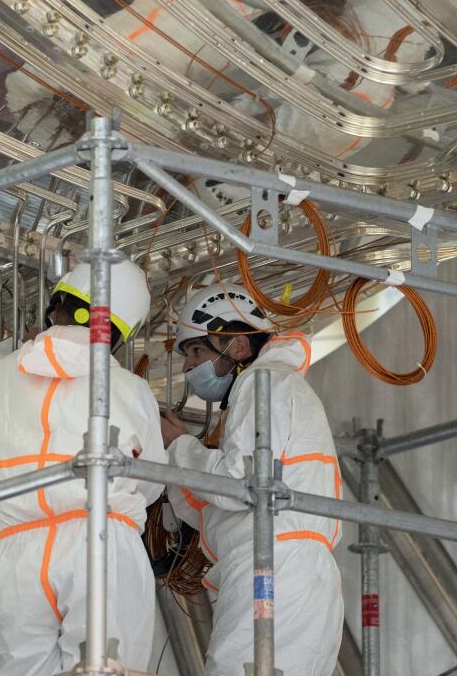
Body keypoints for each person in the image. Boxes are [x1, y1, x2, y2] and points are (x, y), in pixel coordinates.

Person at [0, 260, 165, 676]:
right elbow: (152, 483)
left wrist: (6, 352)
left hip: (19, 554)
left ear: (55, 306)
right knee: (106, 669)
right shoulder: (131, 389)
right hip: (102, 543)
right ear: (119, 333)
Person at [160, 284, 344, 676]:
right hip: (296, 572)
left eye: (196, 351)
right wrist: (173, 472)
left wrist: (178, 447)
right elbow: (224, 505)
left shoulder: (263, 383)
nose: (188, 367)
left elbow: (237, 485)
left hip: (272, 568)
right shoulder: (279, 386)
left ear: (238, 346)